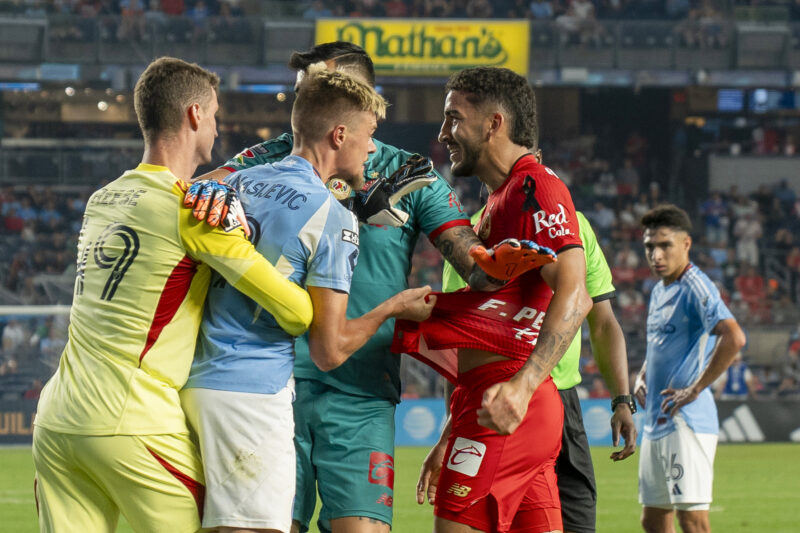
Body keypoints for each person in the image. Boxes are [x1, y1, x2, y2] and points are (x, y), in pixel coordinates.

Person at [189, 42, 493, 533]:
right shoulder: (261, 161)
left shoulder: (409, 175)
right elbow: (200, 189)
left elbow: (472, 260)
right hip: (272, 386)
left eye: (313, 89)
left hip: (361, 390)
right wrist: (203, 187)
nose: (299, 104)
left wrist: (512, 249)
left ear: (357, 98)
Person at [30, 57, 314, 533]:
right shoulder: (194, 210)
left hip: (57, 422)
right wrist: (236, 232)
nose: (218, 127)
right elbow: (296, 311)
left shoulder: (102, 198)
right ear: (195, 115)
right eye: (217, 115)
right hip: (133, 421)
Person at [397, 66, 593, 533]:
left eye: (453, 118)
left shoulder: (534, 187)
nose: (443, 133)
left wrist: (523, 387)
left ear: (493, 123)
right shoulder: (501, 200)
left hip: (505, 401)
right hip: (493, 403)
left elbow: (577, 294)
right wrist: (450, 431)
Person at [441, 199, 638, 533]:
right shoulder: (470, 234)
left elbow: (603, 323)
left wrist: (622, 399)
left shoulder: (575, 225)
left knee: (575, 523)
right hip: (496, 402)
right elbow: (459, 337)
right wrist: (453, 422)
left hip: (560, 404)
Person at [633, 204, 746, 533]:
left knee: (692, 520)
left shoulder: (696, 284)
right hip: (656, 420)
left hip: (685, 420)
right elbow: (660, 346)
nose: (656, 254)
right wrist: (641, 375)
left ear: (686, 244)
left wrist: (695, 388)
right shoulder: (658, 289)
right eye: (649, 246)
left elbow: (734, 337)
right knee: (653, 519)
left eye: (665, 245)